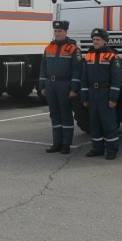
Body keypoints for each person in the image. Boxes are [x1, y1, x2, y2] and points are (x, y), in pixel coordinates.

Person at [39, 20, 82, 155]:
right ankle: (56, 143)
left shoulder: (73, 49)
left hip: (65, 85)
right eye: (55, 31)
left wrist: (74, 89)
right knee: (54, 114)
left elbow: (77, 70)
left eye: (60, 31)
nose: (57, 33)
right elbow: (43, 68)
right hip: (51, 85)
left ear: (66, 32)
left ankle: (66, 144)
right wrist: (42, 86)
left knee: (65, 114)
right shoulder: (49, 48)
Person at [81, 28, 122, 160]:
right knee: (94, 122)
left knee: (108, 123)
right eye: (94, 40)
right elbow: (84, 79)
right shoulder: (89, 56)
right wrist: (84, 97)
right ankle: (97, 148)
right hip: (93, 92)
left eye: (98, 40)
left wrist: (112, 98)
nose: (95, 42)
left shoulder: (112, 56)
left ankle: (111, 150)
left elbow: (116, 79)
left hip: (105, 93)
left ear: (104, 41)